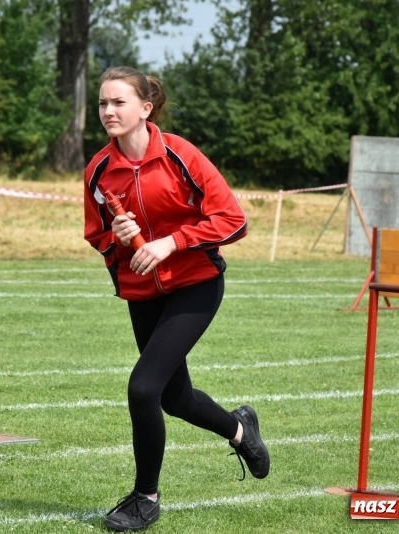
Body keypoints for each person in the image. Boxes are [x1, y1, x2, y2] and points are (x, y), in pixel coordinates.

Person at [83, 66, 271, 532]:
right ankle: (241, 428)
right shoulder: (99, 171)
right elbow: (96, 235)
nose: (108, 111)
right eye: (103, 103)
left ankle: (145, 498)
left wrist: (171, 242)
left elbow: (233, 220)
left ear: (146, 109)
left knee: (143, 388)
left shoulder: (181, 155)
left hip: (196, 283)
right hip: (142, 292)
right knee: (175, 398)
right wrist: (119, 236)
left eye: (118, 102)